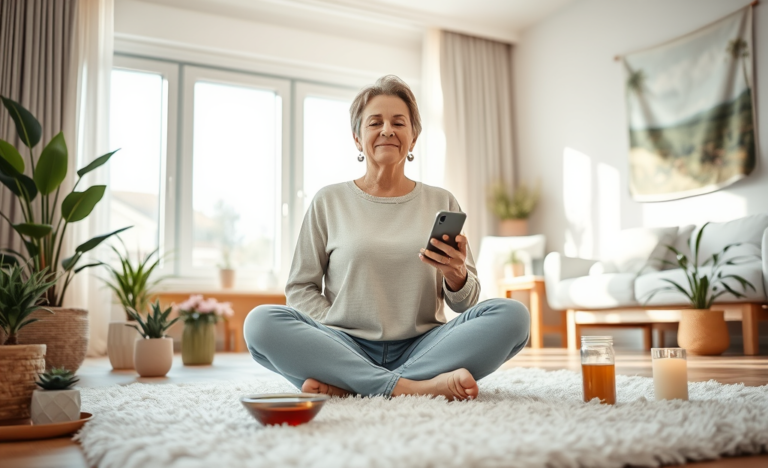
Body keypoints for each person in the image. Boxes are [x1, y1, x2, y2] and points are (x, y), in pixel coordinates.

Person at [244, 75, 530, 400]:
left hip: (424, 345)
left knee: (513, 316)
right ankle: (412, 387)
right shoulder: (329, 201)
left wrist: (456, 275)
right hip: (343, 344)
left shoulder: (442, 201)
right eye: (375, 122)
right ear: (357, 138)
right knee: (260, 322)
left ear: (413, 137)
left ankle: (353, 385)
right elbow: (299, 288)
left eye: (398, 122)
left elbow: (465, 303)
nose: (387, 130)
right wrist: (330, 327)